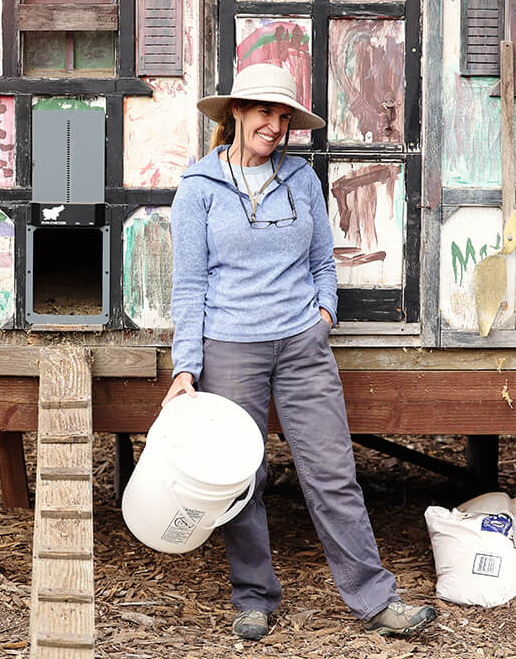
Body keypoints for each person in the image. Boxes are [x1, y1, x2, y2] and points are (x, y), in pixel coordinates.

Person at [162, 63, 436, 642]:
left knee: (333, 471)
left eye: (283, 116)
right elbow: (188, 284)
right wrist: (186, 364)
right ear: (235, 111)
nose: (275, 125)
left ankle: (375, 598)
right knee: (242, 477)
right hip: (230, 346)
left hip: (300, 342)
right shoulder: (198, 189)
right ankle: (254, 596)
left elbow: (320, 260)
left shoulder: (302, 178)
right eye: (264, 112)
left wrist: (325, 313)